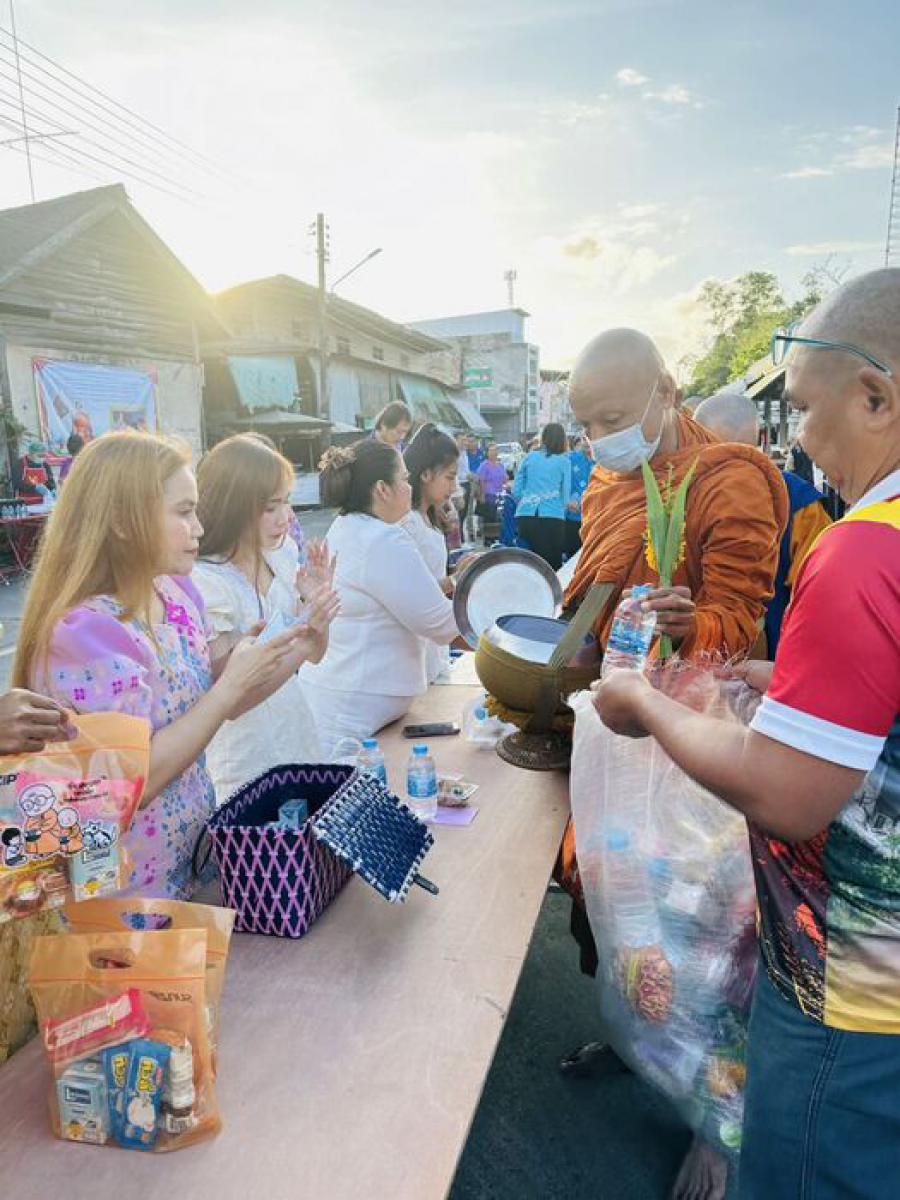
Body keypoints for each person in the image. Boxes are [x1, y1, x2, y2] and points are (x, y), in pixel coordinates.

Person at [594, 268, 900, 1200]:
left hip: (850, 982)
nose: (796, 438)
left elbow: (786, 792)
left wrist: (648, 704)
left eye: (803, 409)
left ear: (876, 397)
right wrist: (789, 687)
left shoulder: (862, 549)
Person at [559, 329, 787, 1200]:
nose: (599, 440)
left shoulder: (730, 479)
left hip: (697, 742)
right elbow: (592, 590)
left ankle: (717, 1124)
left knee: (714, 940)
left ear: (666, 390)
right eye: (585, 424)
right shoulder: (609, 481)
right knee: (615, 903)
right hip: (618, 733)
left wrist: (695, 624)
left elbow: (742, 620)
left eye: (612, 418)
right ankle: (636, 1044)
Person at [12, 432, 310, 900]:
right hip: (123, 891)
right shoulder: (83, 634)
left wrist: (253, 657)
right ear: (122, 520)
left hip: (195, 858)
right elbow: (136, 778)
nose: (199, 528)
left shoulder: (175, 593)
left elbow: (199, 695)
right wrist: (229, 687)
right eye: (184, 511)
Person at [193, 435, 340, 800]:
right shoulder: (206, 582)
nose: (285, 517)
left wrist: (314, 605)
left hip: (295, 731)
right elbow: (231, 700)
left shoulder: (280, 556)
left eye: (286, 502)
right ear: (233, 506)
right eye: (271, 506)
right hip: (246, 756)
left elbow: (315, 654)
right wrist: (305, 630)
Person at [300, 440, 459, 755]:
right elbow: (439, 624)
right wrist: (493, 601)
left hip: (347, 702)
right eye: (404, 479)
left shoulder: (352, 526)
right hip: (348, 713)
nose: (410, 487)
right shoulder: (381, 539)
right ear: (382, 489)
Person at [695, 390, 832, 657]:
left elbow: (817, 590)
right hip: (741, 654)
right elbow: (819, 593)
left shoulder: (797, 500)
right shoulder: (798, 497)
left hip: (753, 657)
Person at [402, 424, 459, 682]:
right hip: (417, 651)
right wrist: (456, 579)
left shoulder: (428, 518)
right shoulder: (408, 523)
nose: (454, 487)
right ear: (425, 474)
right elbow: (410, 595)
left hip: (435, 647)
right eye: (449, 477)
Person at [511, 423, 572, 569]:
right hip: (553, 517)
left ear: (543, 438)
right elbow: (565, 497)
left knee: (527, 564)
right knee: (551, 566)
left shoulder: (530, 457)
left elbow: (516, 491)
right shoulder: (564, 462)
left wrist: (528, 498)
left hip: (526, 515)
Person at [564, 435, 594, 562]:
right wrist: (568, 500)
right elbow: (561, 483)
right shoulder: (571, 459)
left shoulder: (604, 461)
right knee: (572, 559)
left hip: (595, 519)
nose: (587, 442)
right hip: (573, 517)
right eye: (584, 438)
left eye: (590, 438)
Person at [475, 443, 509, 527]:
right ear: (487, 453)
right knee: (491, 518)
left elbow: (505, 479)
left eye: (495, 450)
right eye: (491, 450)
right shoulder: (484, 465)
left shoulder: (500, 465)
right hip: (489, 495)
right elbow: (481, 481)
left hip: (500, 495)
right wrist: (482, 495)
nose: (493, 452)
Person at [13, 441, 56, 506]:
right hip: (24, 502)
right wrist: (34, 487)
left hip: (43, 502)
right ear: (31, 454)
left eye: (44, 455)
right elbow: (17, 483)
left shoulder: (45, 465)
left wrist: (53, 489)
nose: (42, 457)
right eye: (40, 455)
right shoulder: (19, 464)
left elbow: (50, 481)